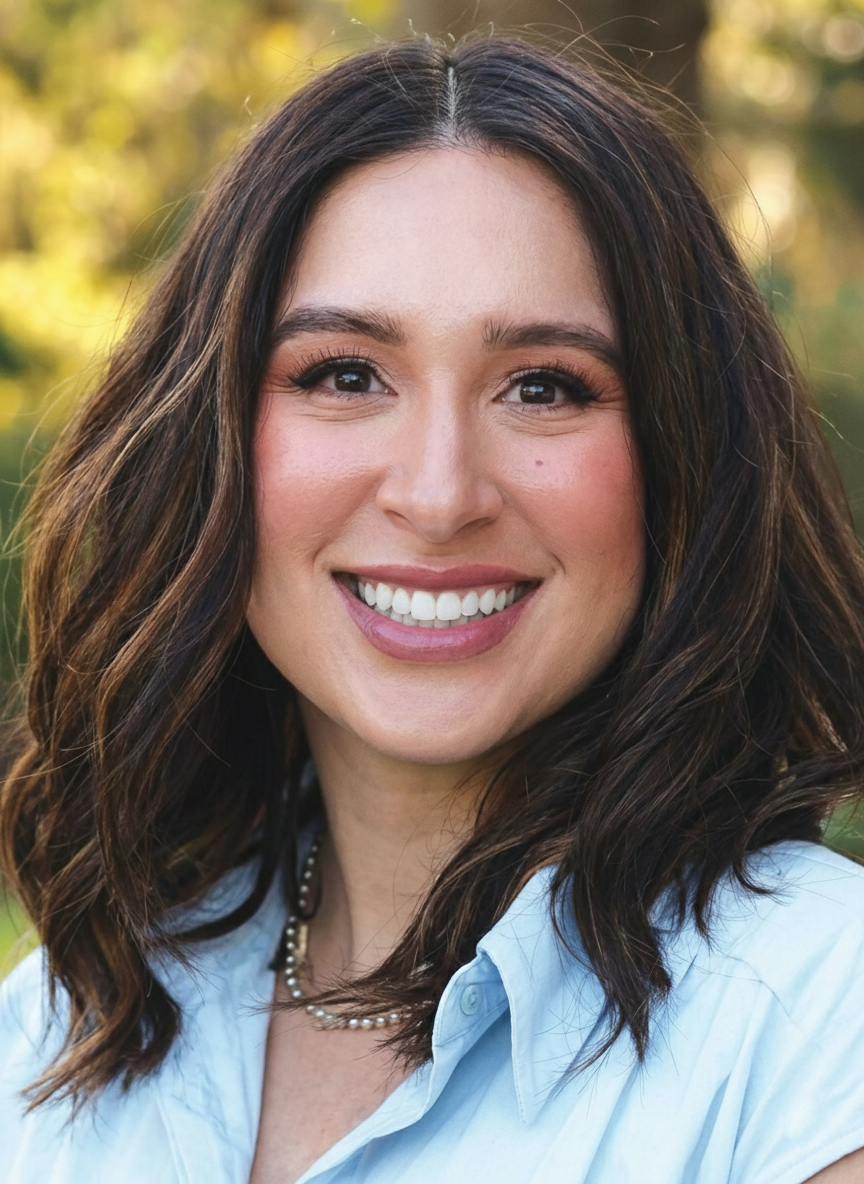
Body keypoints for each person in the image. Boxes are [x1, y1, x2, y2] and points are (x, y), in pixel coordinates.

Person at [1, 34, 864, 1184]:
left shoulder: (815, 1017)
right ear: (208, 440)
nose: (439, 492)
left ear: (683, 455)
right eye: (345, 373)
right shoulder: (60, 1028)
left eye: (545, 385)